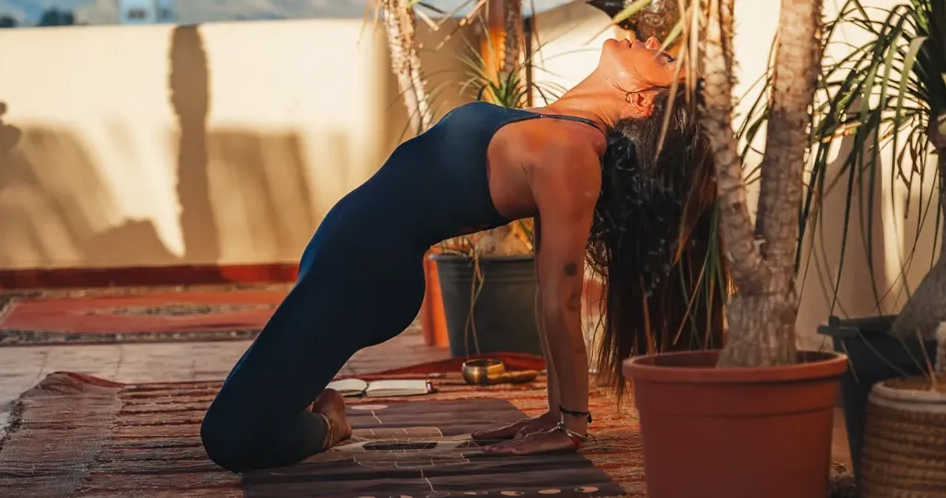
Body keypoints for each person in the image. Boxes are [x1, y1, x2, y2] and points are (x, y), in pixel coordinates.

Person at [200, 33, 722, 473]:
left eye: (664, 58)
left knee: (231, 437)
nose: (651, 39)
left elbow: (557, 298)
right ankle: (301, 412)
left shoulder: (572, 153)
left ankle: (330, 424)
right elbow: (547, 291)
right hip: (340, 262)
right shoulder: (554, 124)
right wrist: (550, 412)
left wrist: (570, 424)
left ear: (642, 102)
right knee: (256, 405)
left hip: (365, 276)